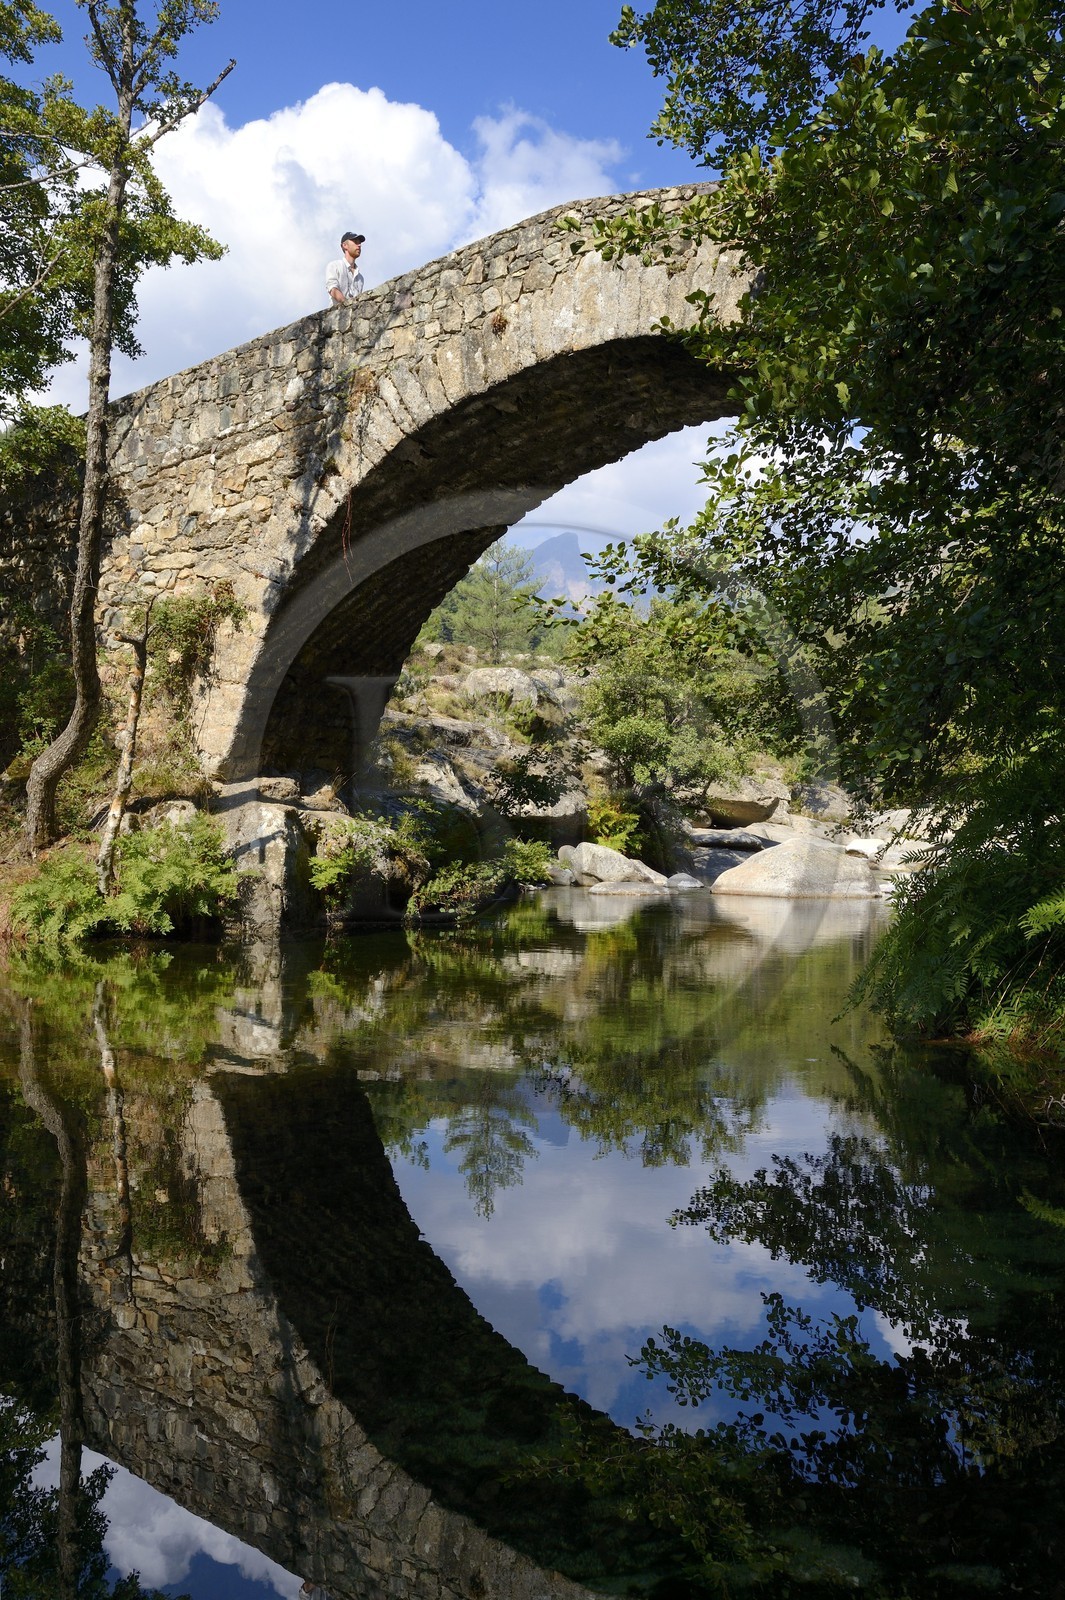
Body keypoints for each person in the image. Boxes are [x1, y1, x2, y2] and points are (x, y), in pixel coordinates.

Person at [326, 230, 365, 306]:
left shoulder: (360, 278)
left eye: (359, 243)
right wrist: (348, 305)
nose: (359, 245)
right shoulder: (334, 266)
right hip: (338, 315)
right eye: (355, 242)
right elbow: (332, 289)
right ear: (344, 245)